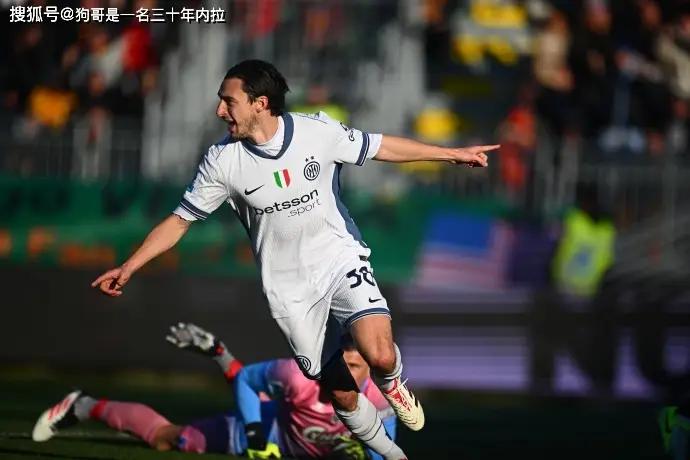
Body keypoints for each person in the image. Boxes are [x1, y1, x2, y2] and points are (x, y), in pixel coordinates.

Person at [91, 59, 498, 459]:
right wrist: (129, 266)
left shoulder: (316, 131)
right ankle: (392, 455)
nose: (219, 111)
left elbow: (381, 146)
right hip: (289, 289)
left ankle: (392, 384)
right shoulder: (222, 161)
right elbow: (180, 221)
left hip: (339, 258)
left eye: (228, 101)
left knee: (380, 355)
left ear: (260, 103)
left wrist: (451, 154)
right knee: (340, 393)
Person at [32, 323, 395, 460]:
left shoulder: (380, 400)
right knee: (166, 439)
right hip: (268, 434)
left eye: (356, 362)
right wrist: (254, 436)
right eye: (341, 359)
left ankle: (217, 351)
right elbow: (247, 381)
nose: (346, 368)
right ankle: (83, 405)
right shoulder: (297, 374)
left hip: (297, 437)